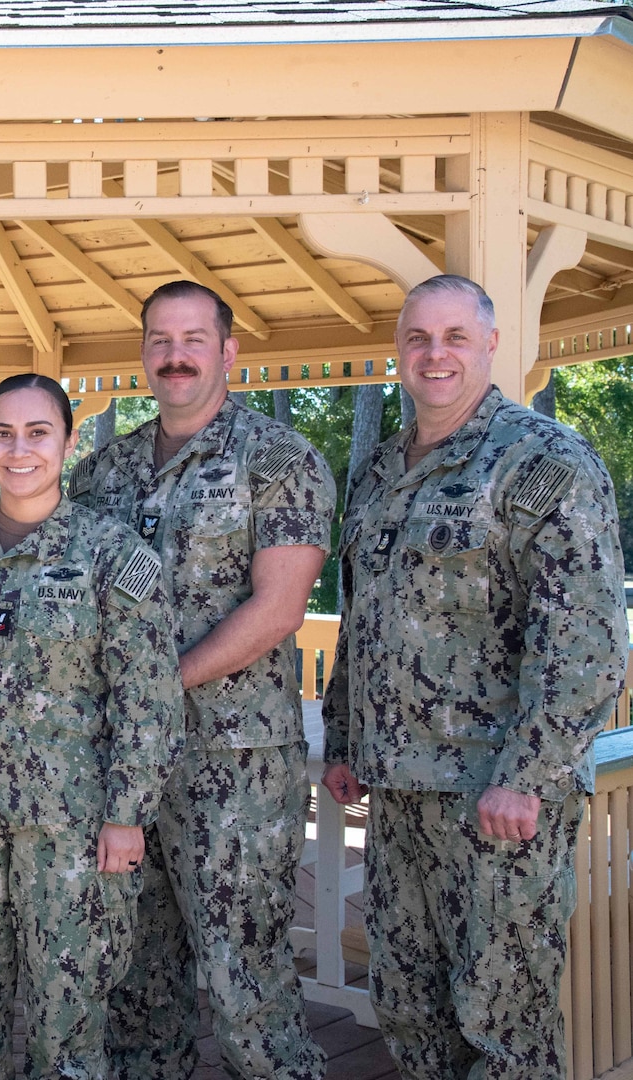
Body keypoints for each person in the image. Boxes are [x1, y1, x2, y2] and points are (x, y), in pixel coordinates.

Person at [321, 275, 629, 1080]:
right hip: (398, 794)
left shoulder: (542, 459)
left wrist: (525, 778)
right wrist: (348, 736)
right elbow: (366, 619)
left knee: (502, 1025)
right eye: (419, 338)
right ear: (400, 350)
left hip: (495, 802)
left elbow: (584, 641)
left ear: (492, 344)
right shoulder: (382, 469)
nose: (436, 354)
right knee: (409, 1007)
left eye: (456, 337)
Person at [68, 280, 334, 1079]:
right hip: (124, 773)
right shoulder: (101, 474)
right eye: (159, 339)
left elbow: (280, 607)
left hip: (235, 765)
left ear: (227, 351)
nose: (174, 355)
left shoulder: (279, 461)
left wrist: (154, 686)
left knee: (244, 984)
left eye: (192, 339)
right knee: (134, 984)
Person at [0, 373, 184, 1078]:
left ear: (69, 441)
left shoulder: (115, 555)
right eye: (2, 433)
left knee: (70, 1020)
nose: (18, 450)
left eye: (37, 432)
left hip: (74, 830)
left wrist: (128, 815)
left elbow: (147, 696)